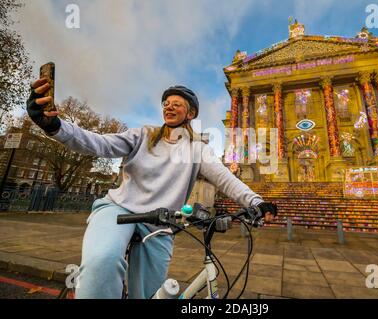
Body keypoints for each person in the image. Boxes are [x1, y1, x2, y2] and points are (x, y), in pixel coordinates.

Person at [27, 78, 277, 299]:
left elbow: (225, 178)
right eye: (166, 102)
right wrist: (54, 127)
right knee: (102, 261)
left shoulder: (197, 149)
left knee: (153, 295)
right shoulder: (143, 135)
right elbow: (99, 144)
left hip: (160, 225)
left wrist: (255, 202)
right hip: (119, 211)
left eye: (177, 103)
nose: (169, 106)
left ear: (190, 114)